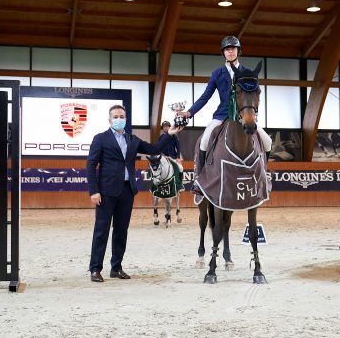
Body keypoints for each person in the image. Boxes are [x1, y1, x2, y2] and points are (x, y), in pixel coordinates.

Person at [86, 104, 183, 282]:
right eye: (115, 116)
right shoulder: (100, 139)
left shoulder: (132, 140)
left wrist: (169, 135)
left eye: (122, 116)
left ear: (126, 119)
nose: (119, 119)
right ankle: (95, 269)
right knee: (101, 230)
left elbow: (154, 149)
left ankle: (116, 267)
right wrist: (94, 191)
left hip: (127, 191)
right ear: (109, 120)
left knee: (121, 231)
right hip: (106, 192)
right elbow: (91, 165)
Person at [179, 36, 272, 188]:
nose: (230, 52)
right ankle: (201, 181)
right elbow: (205, 97)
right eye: (227, 50)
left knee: (267, 141)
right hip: (222, 115)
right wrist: (189, 113)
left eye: (233, 49)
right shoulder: (217, 73)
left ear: (238, 51)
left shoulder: (247, 73)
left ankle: (263, 176)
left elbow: (255, 95)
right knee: (204, 140)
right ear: (223, 53)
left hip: (244, 116)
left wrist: (252, 115)